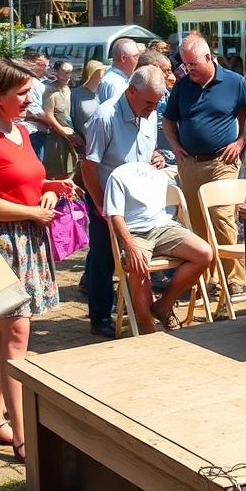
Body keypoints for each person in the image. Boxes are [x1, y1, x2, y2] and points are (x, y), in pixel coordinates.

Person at [0, 58, 71, 461]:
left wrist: (49, 188)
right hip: (3, 243)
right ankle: (25, 434)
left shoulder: (20, 130)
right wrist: (31, 212)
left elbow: (23, 180)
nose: (30, 99)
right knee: (18, 337)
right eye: (22, 93)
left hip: (28, 236)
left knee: (6, 336)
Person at [161, 32, 246, 297]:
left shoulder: (234, 82)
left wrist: (240, 142)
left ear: (208, 57)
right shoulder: (182, 85)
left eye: (193, 64)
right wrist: (174, 144)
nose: (188, 69)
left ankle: (234, 278)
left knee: (222, 217)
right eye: (185, 64)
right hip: (190, 162)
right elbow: (168, 120)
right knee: (198, 224)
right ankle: (210, 278)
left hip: (222, 162)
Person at [81, 66, 167, 338]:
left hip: (139, 203)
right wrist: (98, 203)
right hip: (106, 199)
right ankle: (100, 316)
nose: (153, 108)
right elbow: (89, 166)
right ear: (131, 90)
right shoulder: (105, 116)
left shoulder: (149, 113)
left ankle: (140, 311)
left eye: (157, 102)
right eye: (149, 102)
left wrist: (157, 156)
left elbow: (144, 148)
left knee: (136, 258)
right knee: (103, 259)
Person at [102, 162, 214, 332]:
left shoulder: (158, 173)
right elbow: (115, 216)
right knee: (138, 267)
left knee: (204, 253)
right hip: (135, 232)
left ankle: (164, 305)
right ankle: (147, 329)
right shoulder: (118, 175)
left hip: (164, 227)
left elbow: (173, 210)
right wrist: (130, 246)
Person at [41, 59, 81, 179]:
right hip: (57, 136)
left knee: (72, 168)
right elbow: (48, 116)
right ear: (56, 72)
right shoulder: (50, 91)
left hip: (71, 133)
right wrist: (63, 131)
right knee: (58, 170)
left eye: (70, 72)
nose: (68, 75)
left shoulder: (69, 90)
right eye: (64, 72)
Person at [19, 50, 52, 161]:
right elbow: (34, 110)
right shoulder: (28, 83)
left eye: (47, 66)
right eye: (41, 65)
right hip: (32, 132)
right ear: (29, 63)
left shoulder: (41, 83)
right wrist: (52, 122)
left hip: (40, 131)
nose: (45, 69)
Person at [69, 58, 106, 146]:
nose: (102, 76)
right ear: (92, 73)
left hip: (99, 141)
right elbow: (69, 119)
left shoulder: (101, 93)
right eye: (100, 72)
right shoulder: (75, 95)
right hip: (82, 142)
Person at [98, 37, 140, 102]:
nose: (138, 60)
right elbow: (116, 111)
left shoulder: (112, 76)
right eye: (136, 56)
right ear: (123, 58)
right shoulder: (116, 84)